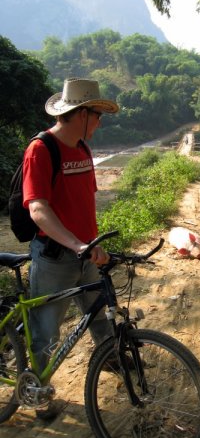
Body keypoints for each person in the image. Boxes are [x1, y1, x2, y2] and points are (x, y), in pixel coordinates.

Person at [22, 77, 119, 419]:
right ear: (81, 113)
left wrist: (94, 244)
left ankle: (114, 363)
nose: (100, 122)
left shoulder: (83, 147)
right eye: (97, 115)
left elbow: (83, 202)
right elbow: (38, 209)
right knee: (46, 333)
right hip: (54, 259)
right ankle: (37, 395)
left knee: (102, 318)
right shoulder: (41, 149)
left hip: (85, 254)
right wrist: (77, 244)